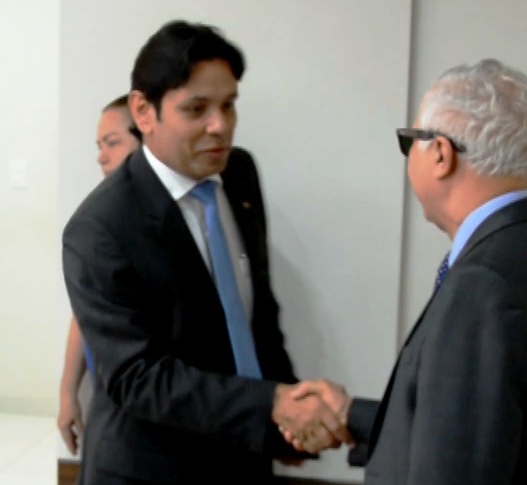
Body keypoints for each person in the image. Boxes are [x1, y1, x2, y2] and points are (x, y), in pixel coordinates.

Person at [289, 59, 527, 484]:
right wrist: (351, 415)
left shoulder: (483, 287)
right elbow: (492, 430)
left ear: (441, 154)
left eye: (410, 142)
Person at [62, 20, 349, 484]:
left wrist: (285, 419)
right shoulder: (101, 227)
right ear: (144, 111)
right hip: (150, 469)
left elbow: (256, 314)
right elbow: (138, 377)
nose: (220, 126)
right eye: (196, 109)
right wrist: (270, 405)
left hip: (243, 454)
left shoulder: (239, 174)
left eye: (228, 105)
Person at [57, 95, 141, 456]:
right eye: (99, 146)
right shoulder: (100, 221)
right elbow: (84, 311)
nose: (101, 156)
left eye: (112, 143)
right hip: (107, 398)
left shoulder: (165, 221)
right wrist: (67, 392)